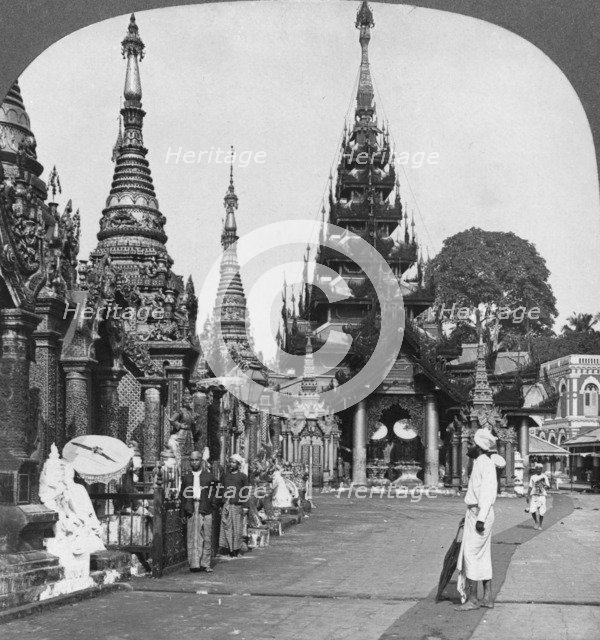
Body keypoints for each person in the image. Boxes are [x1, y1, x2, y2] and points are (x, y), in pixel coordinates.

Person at [455, 428, 504, 611]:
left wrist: (480, 519)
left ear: (480, 446)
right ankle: (487, 598)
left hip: (480, 514)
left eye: (472, 443)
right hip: (475, 513)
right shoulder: (479, 462)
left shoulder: (485, 463)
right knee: (482, 556)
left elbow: (487, 492)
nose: (469, 446)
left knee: (470, 554)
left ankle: (473, 599)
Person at [180, 449, 220, 572]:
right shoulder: (186, 478)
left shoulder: (208, 476)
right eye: (191, 460)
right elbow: (182, 496)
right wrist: (182, 513)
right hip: (192, 508)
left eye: (196, 459)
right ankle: (194, 564)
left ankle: (206, 564)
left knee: (207, 536)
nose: (194, 462)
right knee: (193, 537)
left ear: (201, 460)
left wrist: (213, 504)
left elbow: (218, 490)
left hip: (206, 508)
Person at [219, 454, 249, 557]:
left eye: (234, 462)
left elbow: (245, 492)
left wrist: (245, 507)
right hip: (226, 504)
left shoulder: (243, 477)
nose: (231, 464)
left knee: (237, 528)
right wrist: (220, 503)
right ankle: (228, 549)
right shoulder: (225, 476)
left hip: (237, 505)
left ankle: (236, 549)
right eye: (230, 462)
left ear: (238, 464)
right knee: (226, 527)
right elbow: (220, 489)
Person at [527, 462, 550, 530]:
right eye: (537, 469)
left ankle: (540, 525)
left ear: (541, 469)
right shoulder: (533, 477)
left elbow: (548, 486)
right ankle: (536, 522)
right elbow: (530, 487)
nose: (538, 470)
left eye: (539, 469)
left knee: (541, 511)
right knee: (532, 510)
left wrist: (543, 484)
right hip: (534, 495)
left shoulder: (544, 476)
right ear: (535, 469)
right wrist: (528, 496)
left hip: (542, 496)